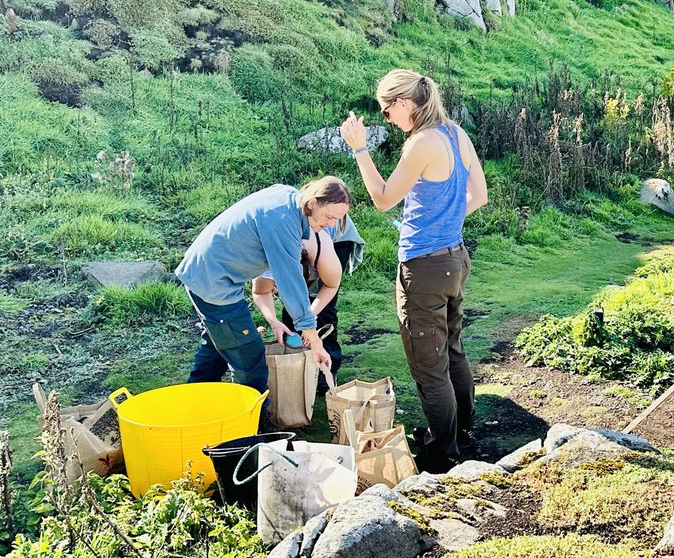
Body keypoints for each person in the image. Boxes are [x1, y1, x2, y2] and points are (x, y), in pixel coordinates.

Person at [341, 70, 487, 472]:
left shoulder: (422, 142)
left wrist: (360, 149)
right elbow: (480, 195)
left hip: (424, 268)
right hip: (454, 258)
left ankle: (444, 451)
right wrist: (445, 224)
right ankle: (462, 431)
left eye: (387, 112)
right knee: (452, 350)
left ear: (405, 104)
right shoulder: (456, 133)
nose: (388, 118)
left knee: (429, 364)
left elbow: (384, 199)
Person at [176, 177, 348, 414]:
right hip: (213, 283)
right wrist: (314, 340)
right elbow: (291, 283)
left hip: (204, 274)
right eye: (329, 217)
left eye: (337, 220)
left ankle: (192, 409)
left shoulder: (288, 199)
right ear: (311, 203)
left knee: (218, 346)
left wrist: (279, 322)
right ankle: (253, 431)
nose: (331, 225)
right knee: (250, 358)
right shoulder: (282, 222)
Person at [252, 215, 366, 390]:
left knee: (323, 307)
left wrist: (309, 317)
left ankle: (328, 367)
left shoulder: (321, 251)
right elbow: (260, 291)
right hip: (295, 240)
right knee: (292, 304)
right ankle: (297, 359)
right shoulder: (270, 260)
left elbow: (330, 286)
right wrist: (274, 322)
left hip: (337, 237)